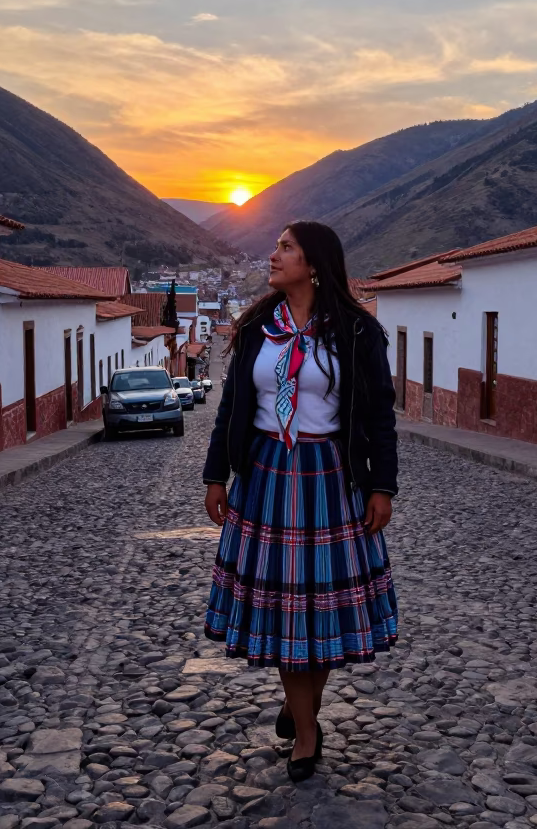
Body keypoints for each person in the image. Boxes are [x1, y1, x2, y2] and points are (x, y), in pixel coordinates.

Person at [201, 221, 399, 782]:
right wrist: (217, 476)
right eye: (278, 245)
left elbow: (380, 415)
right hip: (266, 475)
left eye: (286, 247)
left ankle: (300, 706)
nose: (274, 253)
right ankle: (307, 732)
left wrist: (381, 484)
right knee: (287, 602)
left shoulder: (357, 333)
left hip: (331, 478)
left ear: (314, 264)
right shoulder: (258, 327)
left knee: (326, 603)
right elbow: (230, 408)